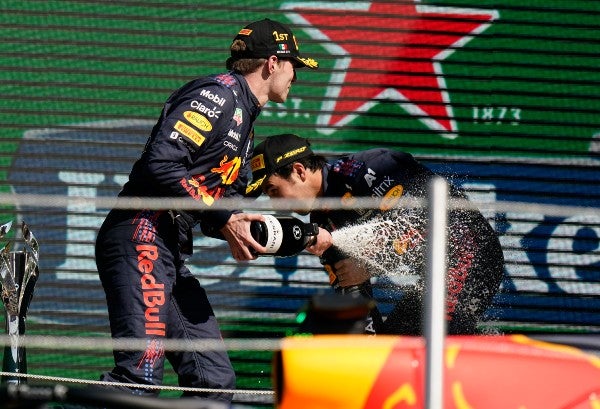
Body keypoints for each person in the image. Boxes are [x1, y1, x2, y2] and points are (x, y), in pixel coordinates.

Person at [94, 20, 318, 403]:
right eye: (294, 64)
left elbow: (220, 206)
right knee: (140, 376)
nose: (296, 75)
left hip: (168, 249)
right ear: (272, 63)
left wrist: (251, 228)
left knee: (213, 379)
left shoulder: (245, 119)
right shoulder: (219, 96)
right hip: (140, 234)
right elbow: (160, 165)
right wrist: (223, 218)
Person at [246, 134, 504, 336]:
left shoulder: (368, 168)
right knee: (393, 350)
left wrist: (368, 264)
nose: (275, 204)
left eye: (273, 190)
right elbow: (356, 298)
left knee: (428, 346)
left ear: (299, 171)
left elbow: (429, 222)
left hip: (471, 251)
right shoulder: (322, 224)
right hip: (436, 274)